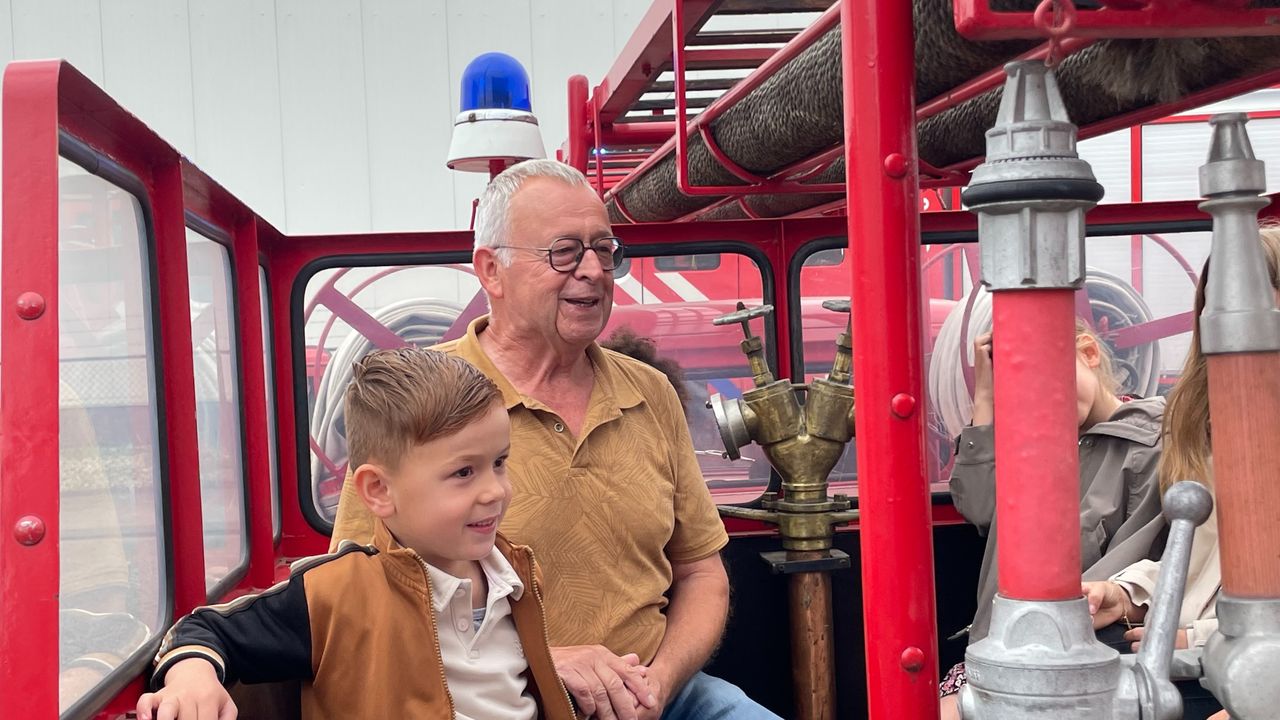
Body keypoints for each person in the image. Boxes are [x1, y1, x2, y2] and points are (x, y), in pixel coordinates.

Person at [329, 159, 779, 720]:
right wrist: (535, 662)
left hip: (657, 696)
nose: (593, 270)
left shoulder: (651, 392)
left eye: (604, 250)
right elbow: (355, 609)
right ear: (491, 271)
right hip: (493, 699)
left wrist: (660, 683)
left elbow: (700, 572)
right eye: (564, 251)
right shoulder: (419, 401)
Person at [136, 348, 576, 720]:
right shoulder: (332, 596)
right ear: (379, 490)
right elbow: (201, 630)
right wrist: (191, 676)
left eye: (499, 462)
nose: (495, 490)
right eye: (464, 472)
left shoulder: (514, 576)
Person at [1082, 227, 1280, 720]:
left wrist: (1204, 638)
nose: (1229, 324)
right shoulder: (1208, 419)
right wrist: (1127, 595)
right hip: (1196, 655)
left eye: (1252, 304)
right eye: (1217, 306)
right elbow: (1206, 560)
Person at [939, 319, 1167, 715]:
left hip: (1073, 660)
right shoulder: (1030, 442)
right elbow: (978, 507)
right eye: (1019, 392)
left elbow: (1121, 572)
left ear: (1089, 353)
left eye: (1048, 378)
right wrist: (985, 397)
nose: (1040, 401)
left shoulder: (1150, 446)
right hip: (999, 651)